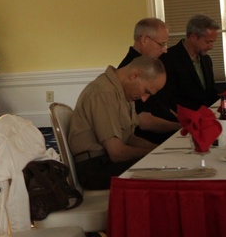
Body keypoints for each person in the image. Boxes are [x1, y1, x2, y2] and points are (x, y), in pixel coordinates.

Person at [69, 56, 167, 190]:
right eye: (146, 91)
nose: (144, 99)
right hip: (95, 168)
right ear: (134, 75)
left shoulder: (123, 90)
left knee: (164, 165)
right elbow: (117, 153)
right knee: (162, 171)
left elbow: (129, 138)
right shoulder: (103, 92)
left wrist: (160, 150)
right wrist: (153, 153)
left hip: (105, 162)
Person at [118, 17, 177, 141]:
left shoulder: (151, 66)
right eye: (161, 44)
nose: (165, 50)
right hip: (151, 140)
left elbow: (164, 105)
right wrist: (180, 127)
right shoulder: (130, 71)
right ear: (145, 40)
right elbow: (143, 121)